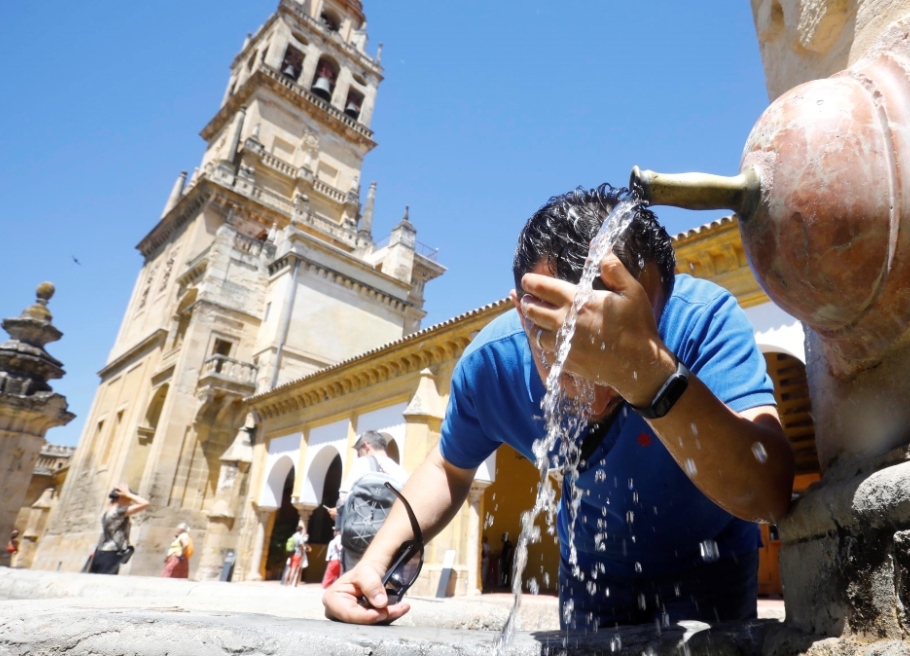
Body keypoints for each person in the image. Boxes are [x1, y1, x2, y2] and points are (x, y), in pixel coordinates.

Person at [323, 185, 794, 628]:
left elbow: (769, 491)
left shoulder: (704, 320)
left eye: (616, 343)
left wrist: (651, 374)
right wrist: (374, 563)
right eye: (565, 347)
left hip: (714, 561)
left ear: (660, 304)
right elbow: (449, 466)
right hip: (592, 572)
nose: (594, 379)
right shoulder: (492, 366)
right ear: (523, 309)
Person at [91, 483, 150, 575]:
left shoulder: (109, 511)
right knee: (105, 584)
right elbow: (145, 503)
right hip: (110, 554)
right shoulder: (118, 512)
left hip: (102, 552)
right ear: (121, 497)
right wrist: (128, 494)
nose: (130, 503)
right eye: (129, 499)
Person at [287, 522, 310, 587]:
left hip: (292, 552)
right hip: (298, 553)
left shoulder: (293, 535)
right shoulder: (299, 537)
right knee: (295, 569)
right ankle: (292, 583)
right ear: (301, 530)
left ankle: (288, 582)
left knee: (291, 568)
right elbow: (302, 544)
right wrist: (305, 548)